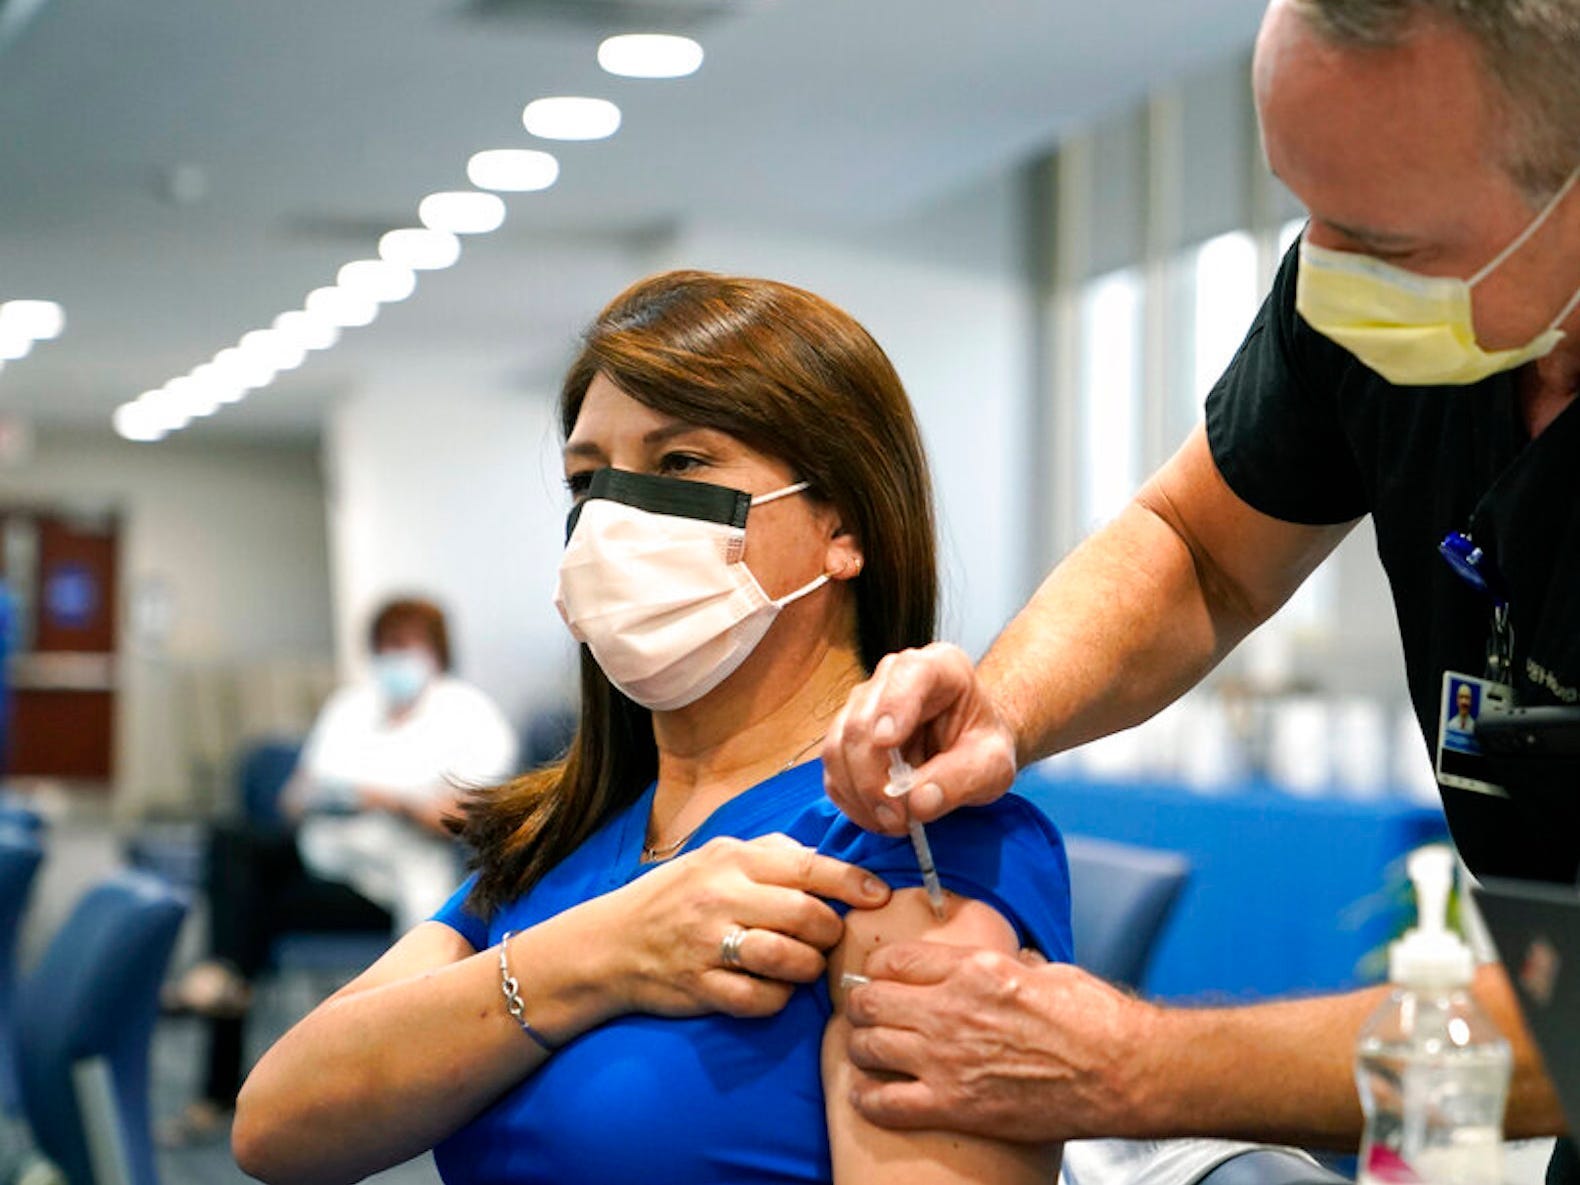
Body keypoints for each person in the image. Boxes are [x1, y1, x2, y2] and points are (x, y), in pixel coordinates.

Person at [821, 0, 1579, 1180]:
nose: (1326, 276)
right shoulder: (1394, 300)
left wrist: (1128, 1064)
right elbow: (1196, 548)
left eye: (1384, 240)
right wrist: (1002, 708)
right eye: (1303, 206)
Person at [231, 270, 1072, 1185]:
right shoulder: (564, 837)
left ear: (843, 522)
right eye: (588, 479)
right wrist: (604, 950)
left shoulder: (903, 839)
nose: (614, 521)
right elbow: (278, 1124)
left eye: (680, 464)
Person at [163, 596, 518, 1141]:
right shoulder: (353, 707)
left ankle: (220, 1082)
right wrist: (314, 797)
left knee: (245, 915)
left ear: (435, 651)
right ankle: (226, 979)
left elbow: (467, 816)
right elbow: (294, 794)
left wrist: (385, 800)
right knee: (232, 842)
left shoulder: (470, 714)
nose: (392, 659)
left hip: (385, 884)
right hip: (323, 855)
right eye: (385, 647)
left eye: (405, 645)